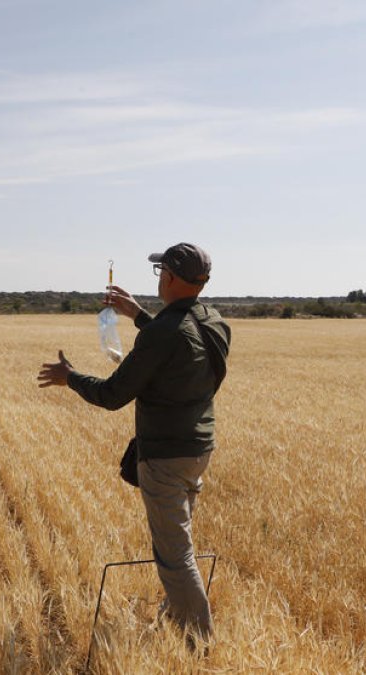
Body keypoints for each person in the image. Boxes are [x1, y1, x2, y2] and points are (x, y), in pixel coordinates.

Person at [37, 243, 231, 648]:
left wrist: (70, 376)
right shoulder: (214, 321)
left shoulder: (164, 331)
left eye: (161, 272)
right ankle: (175, 615)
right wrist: (138, 315)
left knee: (174, 556)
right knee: (178, 542)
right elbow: (180, 339)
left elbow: (111, 394)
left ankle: (201, 644)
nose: (158, 278)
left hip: (165, 455)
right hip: (199, 449)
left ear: (172, 278)